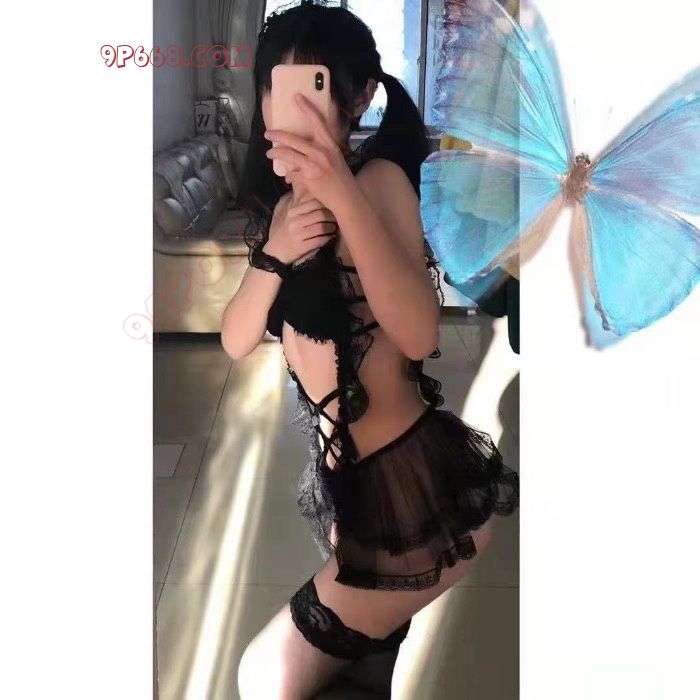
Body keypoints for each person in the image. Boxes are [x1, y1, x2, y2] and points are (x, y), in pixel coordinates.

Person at [220, 3, 519, 697]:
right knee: (359, 674)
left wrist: (341, 192)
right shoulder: (282, 209)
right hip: (348, 491)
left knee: (263, 676)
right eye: (274, 87)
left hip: (412, 497)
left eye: (313, 87)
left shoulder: (380, 184)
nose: (289, 107)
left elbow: (419, 336)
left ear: (356, 99)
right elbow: (236, 339)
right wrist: (274, 252)